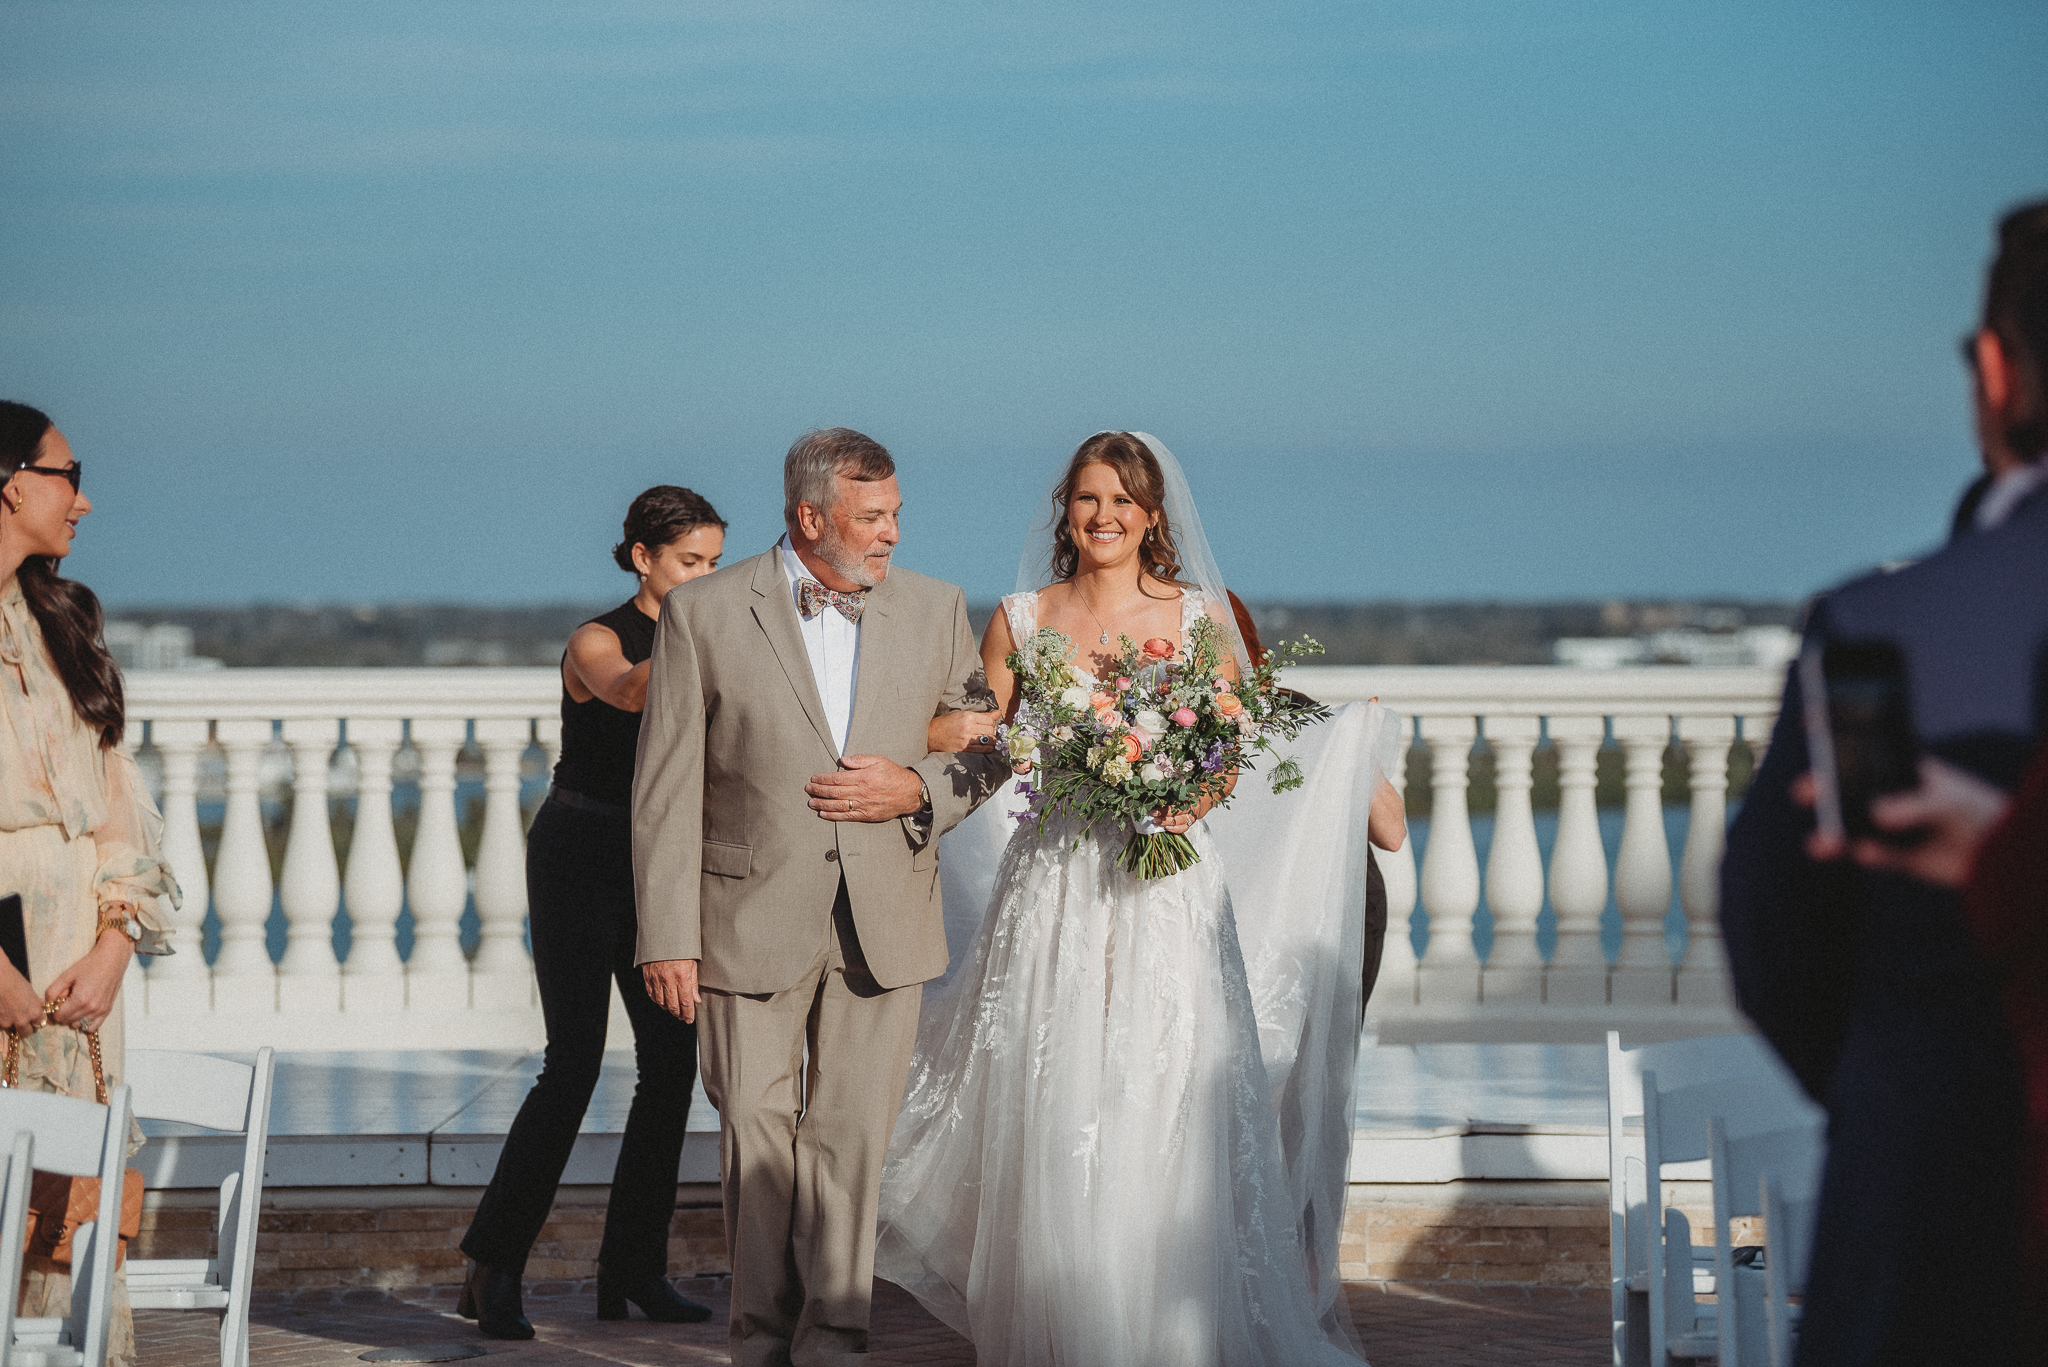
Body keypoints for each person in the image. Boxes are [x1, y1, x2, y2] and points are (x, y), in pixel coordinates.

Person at [875, 431, 1402, 1366]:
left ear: (1154, 516)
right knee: (1059, 1092)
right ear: (1065, 513)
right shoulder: (1021, 619)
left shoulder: (1200, 617)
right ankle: (1070, 1330)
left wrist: (1176, 793)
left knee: (1162, 1094)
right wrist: (930, 755)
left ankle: (1170, 1331)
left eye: (1123, 500)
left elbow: (1231, 743)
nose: (1104, 516)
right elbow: (981, 747)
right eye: (1087, 499)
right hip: (1057, 886)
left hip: (1166, 888)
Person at [1720, 198, 2048, 1365]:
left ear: (1997, 371)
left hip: (1935, 1196)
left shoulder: (1881, 626)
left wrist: (1894, 1087)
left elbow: (1772, 931)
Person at [632, 428, 1009, 1367]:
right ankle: (759, 1340)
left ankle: (834, 1341)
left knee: (849, 1141)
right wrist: (664, 937)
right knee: (753, 1136)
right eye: (871, 517)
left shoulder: (936, 607)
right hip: (742, 918)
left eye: (895, 517)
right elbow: (666, 787)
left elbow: (991, 752)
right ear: (810, 516)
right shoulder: (704, 614)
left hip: (885, 917)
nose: (889, 536)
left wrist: (917, 787)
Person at [456, 486, 726, 1338]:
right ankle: (492, 1265)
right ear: (643, 558)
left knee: (672, 1065)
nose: (705, 580)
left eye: (717, 565)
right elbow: (635, 693)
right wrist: (712, 635)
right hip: (580, 855)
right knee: (571, 1063)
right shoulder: (597, 639)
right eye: (691, 563)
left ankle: (633, 1268)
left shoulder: (711, 632)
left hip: (662, 867)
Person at [0, 401, 178, 1367]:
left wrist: (115, 945)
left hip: (78, 980)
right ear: (11, 481)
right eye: (71, 474)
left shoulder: (63, 622)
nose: (87, 499)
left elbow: (122, 816)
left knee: (71, 1216)